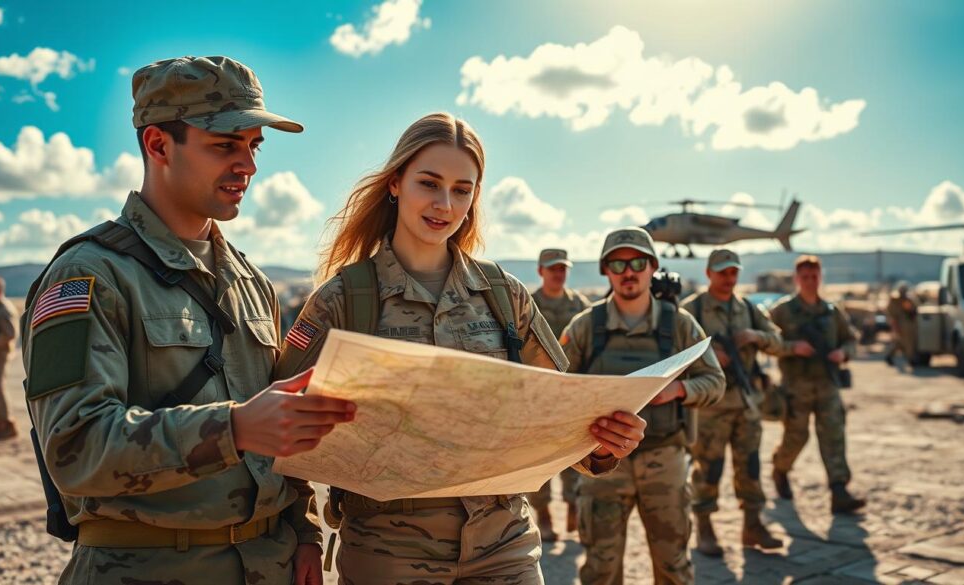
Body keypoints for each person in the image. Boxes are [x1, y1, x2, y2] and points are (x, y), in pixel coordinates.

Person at [273, 112, 648, 584]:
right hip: (389, 552)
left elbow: (559, 412)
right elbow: (280, 428)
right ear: (395, 183)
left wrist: (605, 444)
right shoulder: (343, 299)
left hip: (505, 546)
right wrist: (303, 533)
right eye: (429, 183)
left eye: (462, 190)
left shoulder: (504, 295)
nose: (444, 204)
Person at [22, 56, 353, 585]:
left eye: (254, 146)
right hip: (147, 568)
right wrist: (235, 428)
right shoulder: (89, 275)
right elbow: (75, 450)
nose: (248, 165)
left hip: (270, 564)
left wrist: (306, 533)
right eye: (225, 145)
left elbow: (284, 435)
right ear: (158, 145)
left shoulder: (252, 282)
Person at [561, 227, 726, 585]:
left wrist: (679, 389)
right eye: (618, 265)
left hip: (664, 462)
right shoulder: (585, 326)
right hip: (602, 467)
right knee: (600, 569)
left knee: (674, 566)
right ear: (606, 271)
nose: (628, 272)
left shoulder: (680, 324)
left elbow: (715, 382)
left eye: (637, 263)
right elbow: (559, 391)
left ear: (652, 267)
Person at [682, 250, 797, 556]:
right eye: (722, 272)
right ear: (709, 273)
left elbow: (778, 343)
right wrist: (706, 356)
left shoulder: (747, 308)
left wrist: (754, 336)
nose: (729, 278)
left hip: (746, 403)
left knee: (750, 466)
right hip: (710, 406)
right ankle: (704, 528)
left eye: (733, 272)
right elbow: (672, 352)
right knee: (708, 469)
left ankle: (752, 525)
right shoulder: (691, 309)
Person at [769, 255, 866, 514]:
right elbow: (767, 343)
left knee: (834, 436)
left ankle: (839, 490)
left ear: (820, 277)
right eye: (805, 277)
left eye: (814, 276)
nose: (810, 282)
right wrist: (792, 347)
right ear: (796, 279)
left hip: (827, 384)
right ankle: (780, 469)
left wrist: (843, 353)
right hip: (795, 387)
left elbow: (851, 340)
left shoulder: (831, 311)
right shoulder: (783, 311)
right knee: (796, 437)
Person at [527, 248, 591, 541]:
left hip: (572, 394)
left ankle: (573, 507)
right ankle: (543, 515)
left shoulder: (580, 305)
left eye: (562, 268)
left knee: (573, 453)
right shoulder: (528, 304)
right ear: (541, 271)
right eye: (553, 268)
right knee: (539, 458)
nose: (558, 274)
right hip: (537, 396)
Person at [0, 277, 18, 441]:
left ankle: (7, 424)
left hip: (0, 354)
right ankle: (3, 423)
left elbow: (10, 333)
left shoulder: (4, 309)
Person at [885, 281, 918, 366]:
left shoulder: (905, 300)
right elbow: (892, 313)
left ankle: (890, 356)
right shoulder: (896, 300)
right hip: (902, 325)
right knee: (906, 342)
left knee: (900, 342)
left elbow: (913, 311)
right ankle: (910, 359)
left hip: (905, 325)